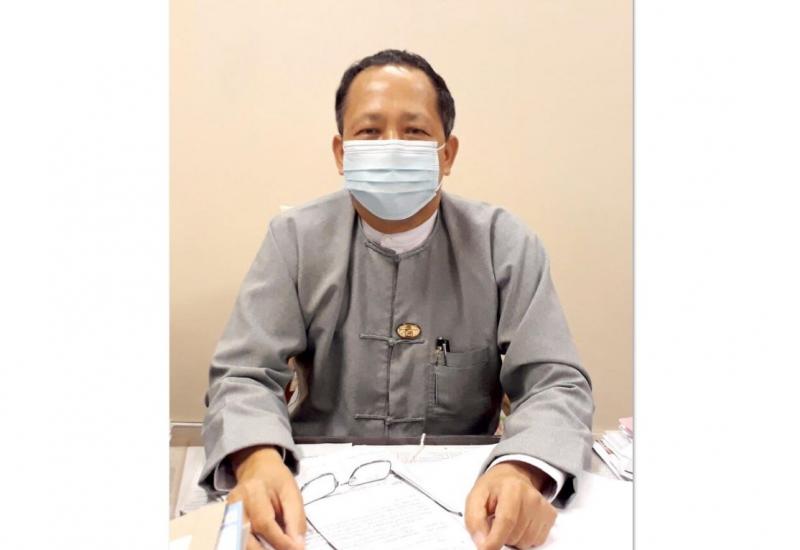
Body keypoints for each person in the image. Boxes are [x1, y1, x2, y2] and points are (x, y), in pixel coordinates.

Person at [200, 49, 594, 550]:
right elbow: (243, 374)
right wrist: (257, 460)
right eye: (369, 131)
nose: (390, 147)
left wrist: (521, 470)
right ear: (342, 153)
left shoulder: (505, 244)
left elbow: (555, 382)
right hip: (315, 496)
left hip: (465, 506)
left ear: (447, 154)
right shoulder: (295, 239)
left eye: (414, 131)